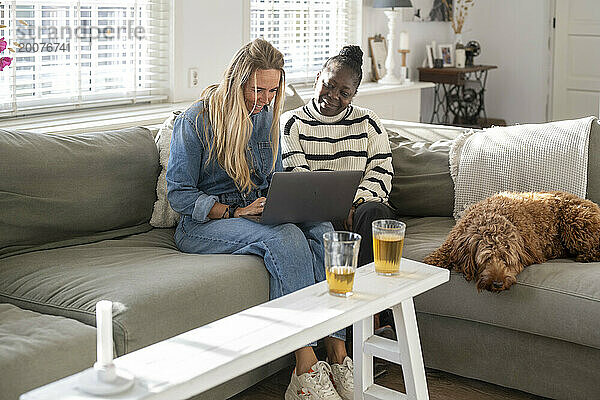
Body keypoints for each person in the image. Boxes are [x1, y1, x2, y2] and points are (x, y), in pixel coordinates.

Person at [166, 39, 353, 400]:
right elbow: (179, 194)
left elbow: (274, 175)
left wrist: (287, 201)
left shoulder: (266, 115)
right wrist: (234, 211)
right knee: (284, 237)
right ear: (236, 81)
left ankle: (337, 348)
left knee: (324, 230)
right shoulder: (196, 120)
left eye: (272, 89)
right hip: (204, 224)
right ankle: (304, 365)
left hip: (255, 209)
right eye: (257, 90)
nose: (265, 99)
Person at [281, 45, 396, 268]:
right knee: (324, 221)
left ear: (353, 95)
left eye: (344, 93)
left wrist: (353, 203)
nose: (333, 96)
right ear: (318, 78)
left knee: (375, 213)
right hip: (317, 208)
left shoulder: (368, 121)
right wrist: (339, 208)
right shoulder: (292, 122)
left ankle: (374, 295)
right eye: (329, 85)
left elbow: (381, 172)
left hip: (362, 206)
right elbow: (298, 178)